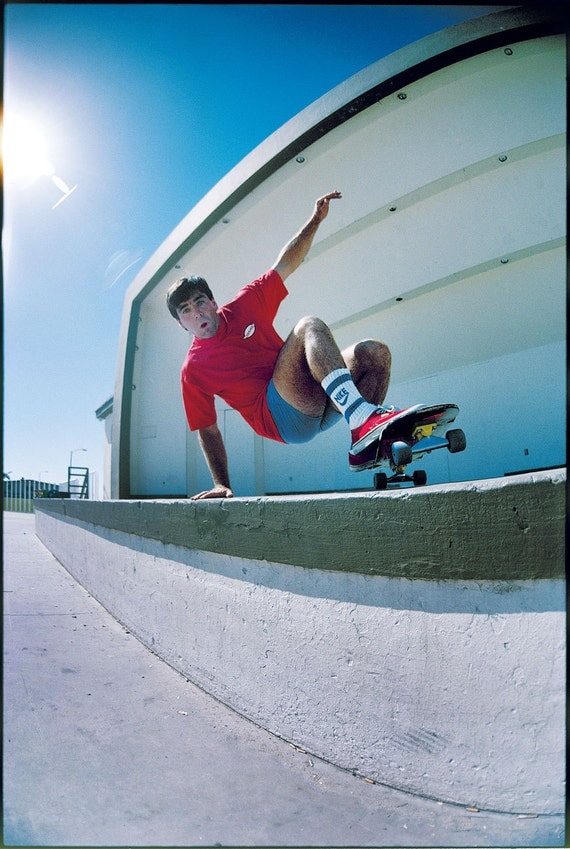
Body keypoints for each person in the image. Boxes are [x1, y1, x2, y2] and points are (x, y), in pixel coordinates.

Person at [167, 191, 417, 499]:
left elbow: (286, 263)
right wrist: (222, 484)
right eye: (186, 312)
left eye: (200, 302)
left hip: (316, 397)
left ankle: (368, 444)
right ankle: (363, 418)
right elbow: (207, 429)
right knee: (307, 326)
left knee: (375, 353)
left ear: (213, 302)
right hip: (281, 419)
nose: (197, 314)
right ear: (182, 324)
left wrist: (315, 220)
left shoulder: (245, 304)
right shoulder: (193, 370)